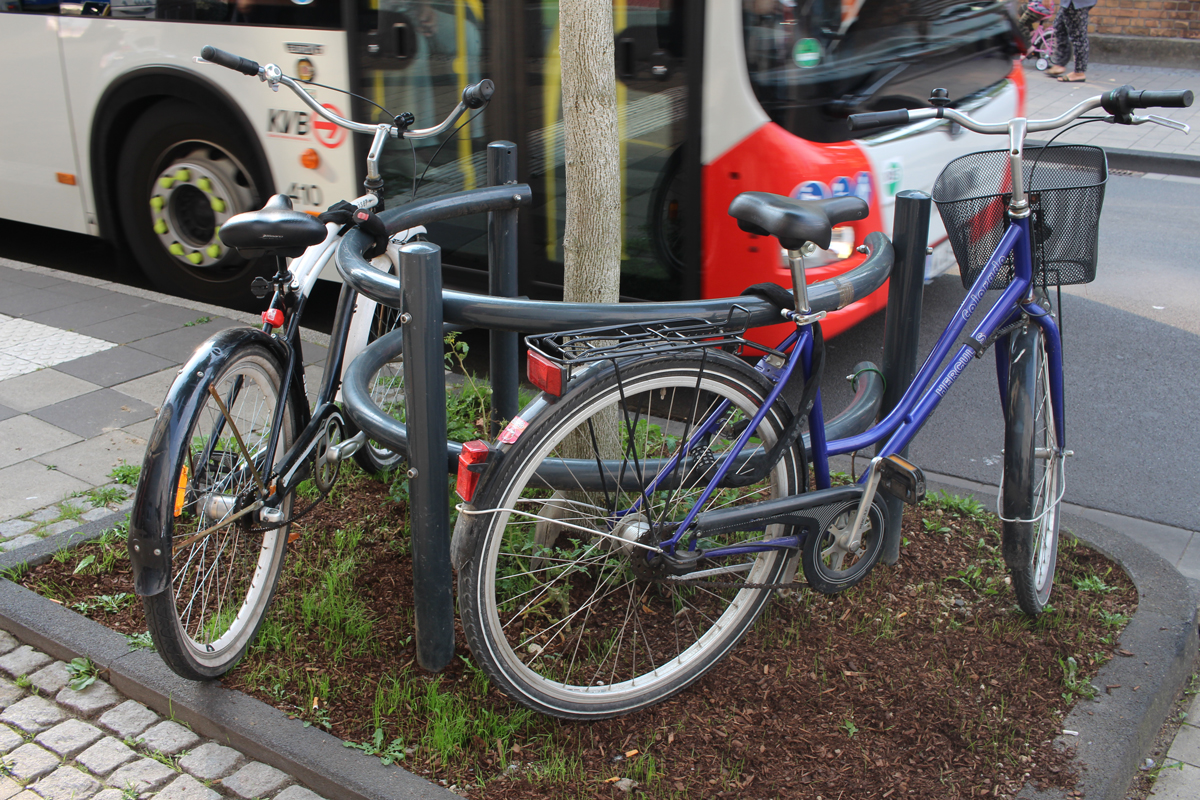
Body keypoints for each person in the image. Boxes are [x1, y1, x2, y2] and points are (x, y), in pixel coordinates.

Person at [1044, 0, 1094, 82]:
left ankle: (1079, 72)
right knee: (1059, 26)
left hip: (1076, 3)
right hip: (1070, 2)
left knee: (1078, 35)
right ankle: (1060, 64)